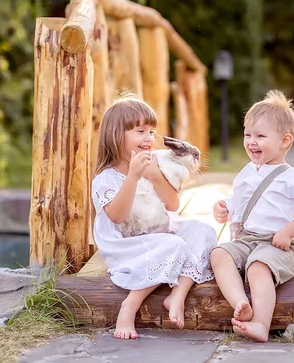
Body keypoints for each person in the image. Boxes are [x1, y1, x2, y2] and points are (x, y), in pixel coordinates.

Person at [92, 93, 216, 339]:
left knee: (204, 231)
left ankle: (177, 295)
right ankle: (130, 305)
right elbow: (116, 216)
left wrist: (156, 176)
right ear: (116, 135)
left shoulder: (154, 165)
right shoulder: (105, 179)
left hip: (159, 234)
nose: (149, 138)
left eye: (151, 131)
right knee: (175, 246)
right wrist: (133, 177)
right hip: (128, 245)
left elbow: (173, 205)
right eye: (140, 131)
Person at [210, 90, 294, 342]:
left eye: (260, 136)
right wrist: (225, 209)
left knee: (259, 265)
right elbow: (239, 202)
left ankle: (261, 323)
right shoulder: (246, 172)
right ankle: (241, 302)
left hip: (276, 243)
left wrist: (288, 231)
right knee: (218, 254)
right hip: (245, 240)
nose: (251, 141)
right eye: (247, 134)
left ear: (285, 140)